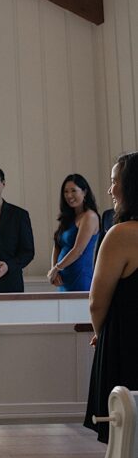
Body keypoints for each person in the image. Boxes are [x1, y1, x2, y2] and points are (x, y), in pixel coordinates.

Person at [84, 153, 138, 443]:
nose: (110, 190)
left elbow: (97, 301)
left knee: (124, 434)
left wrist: (100, 333)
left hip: (126, 342)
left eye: (115, 181)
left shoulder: (121, 234)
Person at [47, 174, 100, 292]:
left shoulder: (89, 216)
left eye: (73, 191)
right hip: (62, 278)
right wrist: (54, 271)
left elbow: (78, 250)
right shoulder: (68, 217)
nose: (69, 195)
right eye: (65, 192)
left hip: (80, 277)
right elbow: (57, 245)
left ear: (84, 192)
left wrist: (57, 268)